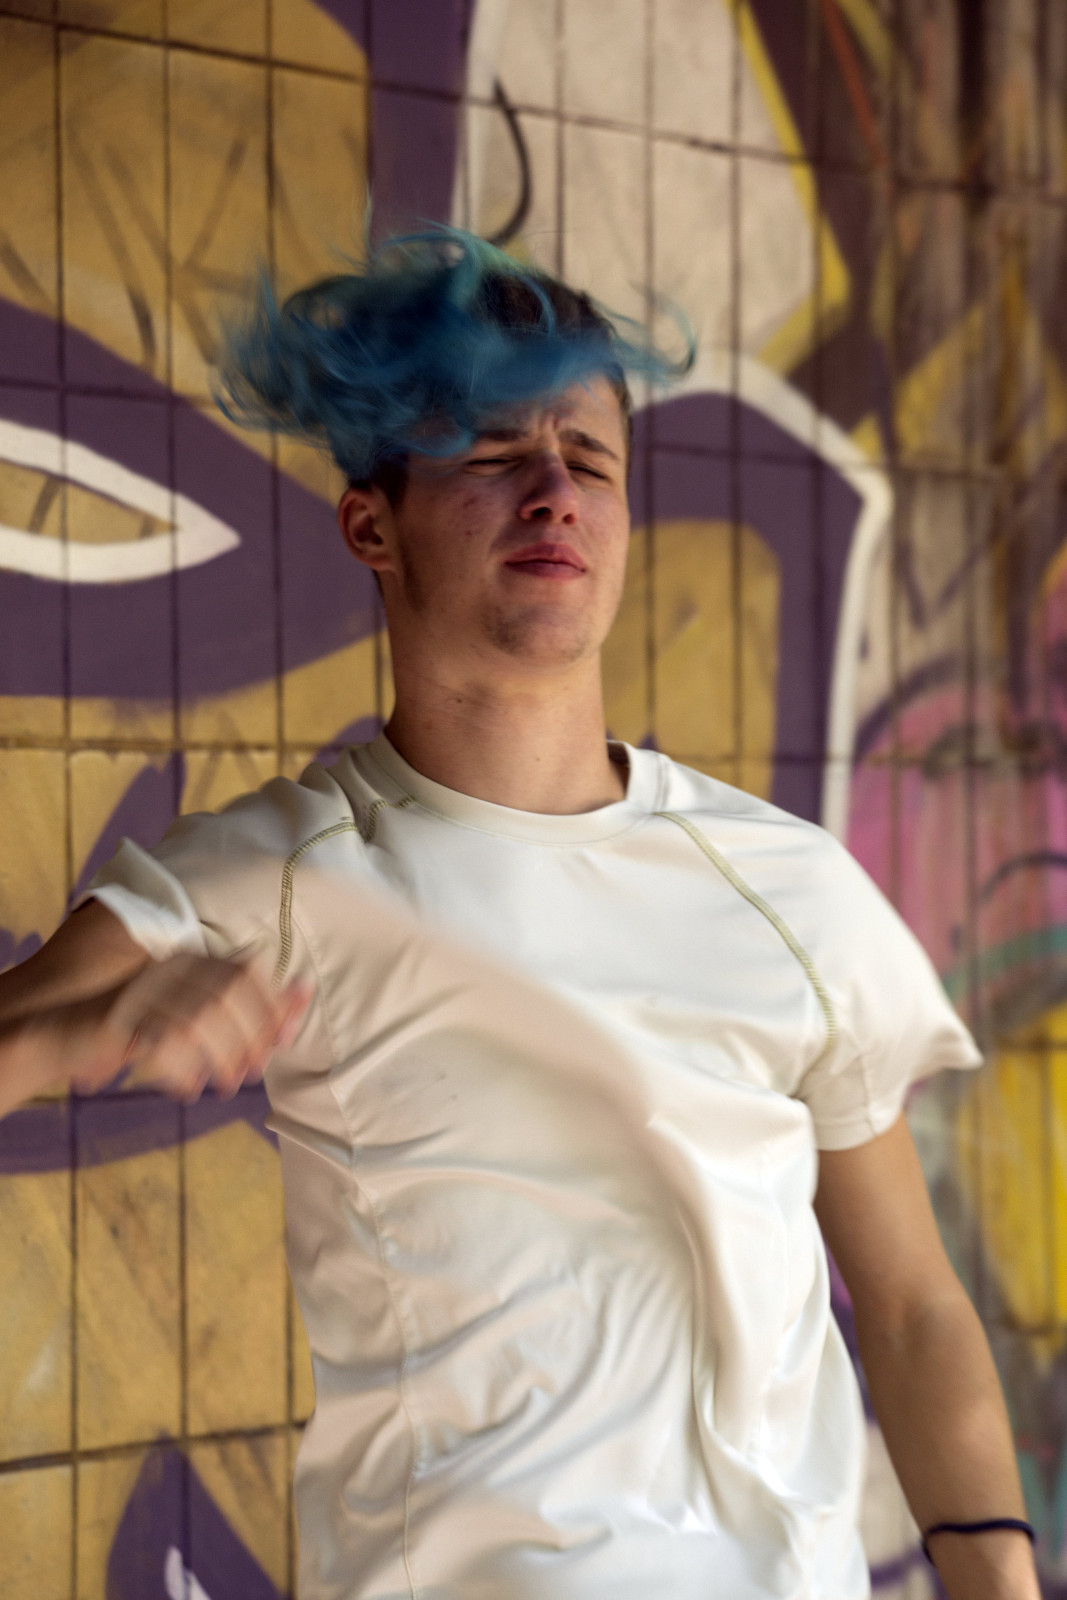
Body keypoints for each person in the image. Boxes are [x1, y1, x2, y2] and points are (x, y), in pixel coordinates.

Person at [0, 231, 1040, 1600]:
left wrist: (999, 1580)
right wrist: (69, 1037)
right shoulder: (282, 871)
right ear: (372, 526)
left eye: (589, 460)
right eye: (492, 453)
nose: (553, 491)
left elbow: (909, 1308)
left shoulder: (786, 884)